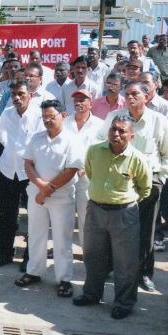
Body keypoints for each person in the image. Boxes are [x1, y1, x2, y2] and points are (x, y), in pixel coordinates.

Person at [73, 116, 151, 319]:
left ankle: (123, 303)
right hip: (96, 211)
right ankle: (91, 294)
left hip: (124, 215)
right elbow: (90, 172)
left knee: (125, 262)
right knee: (93, 256)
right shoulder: (94, 151)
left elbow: (145, 189)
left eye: (121, 131)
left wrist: (123, 202)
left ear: (131, 136)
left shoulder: (138, 158)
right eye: (113, 129)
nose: (116, 134)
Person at [102, 81, 168, 293]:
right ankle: (112, 267)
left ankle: (144, 273)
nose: (130, 98)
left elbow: (167, 154)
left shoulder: (158, 121)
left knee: (145, 232)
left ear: (147, 97)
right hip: (120, 184)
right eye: (128, 94)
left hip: (150, 184)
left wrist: (161, 179)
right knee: (117, 229)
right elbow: (101, 143)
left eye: (135, 94)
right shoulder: (116, 118)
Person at [15, 100, 81, 297]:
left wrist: (48, 189)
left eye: (52, 116)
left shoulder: (72, 140)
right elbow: (28, 164)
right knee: (35, 234)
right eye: (44, 117)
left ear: (63, 115)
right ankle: (34, 271)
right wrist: (41, 187)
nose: (47, 120)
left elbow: (71, 170)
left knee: (62, 238)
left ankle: (64, 279)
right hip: (36, 193)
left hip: (61, 197)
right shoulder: (37, 138)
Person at [0, 81, 44, 266]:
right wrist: (9, 146)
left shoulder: (39, 115)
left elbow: (43, 140)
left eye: (21, 93)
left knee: (34, 215)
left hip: (30, 172)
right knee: (6, 214)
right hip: (8, 170)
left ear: (30, 95)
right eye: (14, 94)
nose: (16, 97)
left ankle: (30, 258)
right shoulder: (7, 114)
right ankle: (5, 254)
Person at [63, 89, 104, 250]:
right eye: (76, 100)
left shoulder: (100, 125)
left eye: (83, 100)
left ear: (91, 103)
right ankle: (63, 252)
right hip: (66, 176)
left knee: (85, 218)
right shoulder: (65, 122)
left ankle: (89, 255)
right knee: (64, 217)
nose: (79, 103)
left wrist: (88, 167)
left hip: (88, 177)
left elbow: (103, 150)